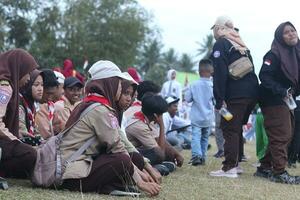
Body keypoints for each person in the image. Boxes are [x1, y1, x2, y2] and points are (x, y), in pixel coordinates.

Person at [60, 60, 160, 196]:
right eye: (119, 85)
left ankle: (110, 186)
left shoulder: (93, 103)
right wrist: (140, 180)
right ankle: (108, 186)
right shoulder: (100, 110)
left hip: (76, 167)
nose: (120, 89)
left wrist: (141, 168)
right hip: (71, 176)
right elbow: (117, 147)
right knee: (122, 159)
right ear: (110, 84)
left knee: (131, 157)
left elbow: (120, 143)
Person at [209, 16, 259, 178]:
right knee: (236, 127)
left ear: (219, 28)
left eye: (215, 28)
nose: (214, 32)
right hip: (251, 93)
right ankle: (235, 164)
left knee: (229, 127)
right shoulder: (240, 43)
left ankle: (229, 167)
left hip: (236, 95)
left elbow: (220, 73)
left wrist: (219, 98)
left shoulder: (221, 43)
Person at [255, 22, 300, 184]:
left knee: (287, 134)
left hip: (287, 99)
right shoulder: (273, 54)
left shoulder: (296, 53)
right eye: (286, 32)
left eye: (293, 30)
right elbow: (264, 76)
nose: (291, 34)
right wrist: (281, 90)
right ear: (280, 37)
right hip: (272, 98)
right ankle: (279, 172)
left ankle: (264, 168)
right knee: (281, 134)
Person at [117, 75, 162, 185]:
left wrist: (145, 167)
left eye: (132, 95)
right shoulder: (102, 111)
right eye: (126, 93)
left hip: (125, 151)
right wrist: (140, 174)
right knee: (155, 154)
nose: (130, 98)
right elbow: (118, 147)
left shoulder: (120, 112)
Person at [0, 49, 38, 178]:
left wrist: (19, 133)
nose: (29, 78)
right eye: (28, 73)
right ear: (18, 68)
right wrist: (14, 139)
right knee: (30, 154)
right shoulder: (4, 87)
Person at [126, 93, 184, 174]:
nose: (162, 117)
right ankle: (153, 168)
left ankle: (157, 166)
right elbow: (160, 154)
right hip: (128, 155)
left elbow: (159, 140)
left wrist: (176, 154)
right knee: (156, 154)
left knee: (168, 153)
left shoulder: (146, 118)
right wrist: (162, 125)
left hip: (137, 151)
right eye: (161, 114)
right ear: (155, 115)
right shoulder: (139, 125)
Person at [185, 59, 214, 166]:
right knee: (205, 137)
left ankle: (196, 155)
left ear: (199, 71)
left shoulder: (194, 84)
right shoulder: (213, 85)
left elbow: (187, 99)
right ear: (211, 72)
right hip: (208, 117)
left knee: (196, 136)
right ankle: (203, 157)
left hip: (196, 116)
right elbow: (216, 101)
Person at [35, 69, 64, 139]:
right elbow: (45, 135)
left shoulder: (50, 106)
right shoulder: (37, 108)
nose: (50, 98)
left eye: (52, 94)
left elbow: (59, 125)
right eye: (48, 94)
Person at [19, 69, 44, 146]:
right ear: (27, 85)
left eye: (42, 85)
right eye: (36, 85)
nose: (40, 89)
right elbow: (23, 133)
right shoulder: (19, 103)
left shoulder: (31, 106)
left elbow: (36, 132)